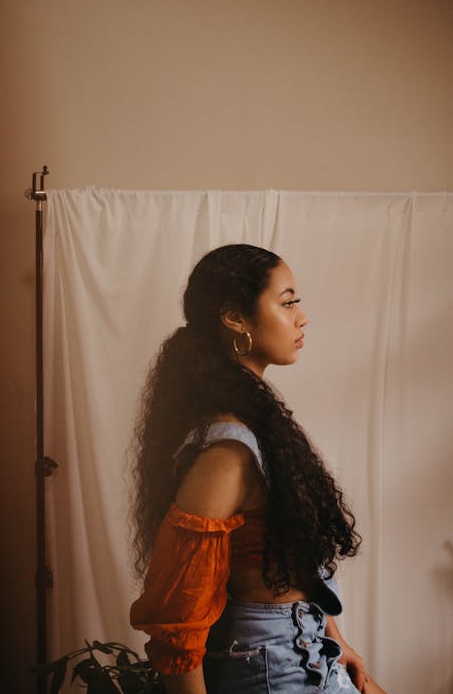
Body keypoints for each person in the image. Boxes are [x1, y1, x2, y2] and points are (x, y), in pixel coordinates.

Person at [129, 244, 387, 694]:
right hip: (271, 666)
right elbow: (180, 620)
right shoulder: (227, 452)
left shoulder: (254, 421)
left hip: (301, 648)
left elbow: (287, 551)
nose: (301, 318)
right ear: (236, 319)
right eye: (287, 303)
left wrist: (333, 637)